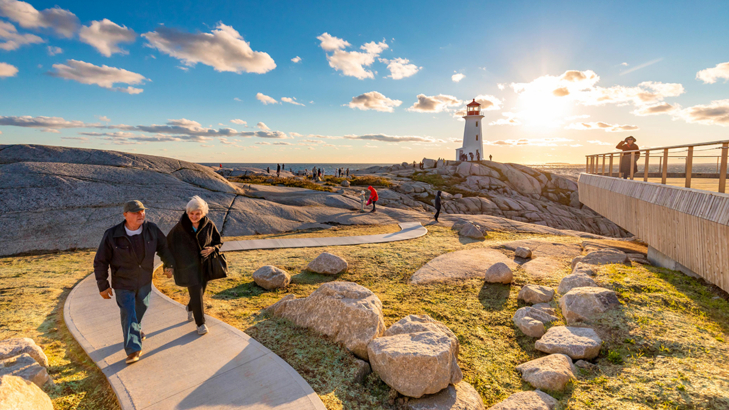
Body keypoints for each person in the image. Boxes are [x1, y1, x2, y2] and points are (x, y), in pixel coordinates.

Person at [93, 200, 175, 364]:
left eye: (142, 211)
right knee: (128, 313)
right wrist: (103, 285)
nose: (140, 214)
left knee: (140, 309)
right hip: (123, 283)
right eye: (136, 212)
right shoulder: (112, 234)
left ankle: (136, 331)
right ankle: (133, 350)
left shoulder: (151, 229)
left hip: (144, 281)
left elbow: (165, 248)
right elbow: (100, 261)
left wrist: (169, 265)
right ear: (125, 215)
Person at [166, 196, 222, 336]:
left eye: (198, 213)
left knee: (200, 292)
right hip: (187, 268)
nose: (194, 216)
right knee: (197, 294)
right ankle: (200, 324)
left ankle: (190, 307)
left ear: (203, 213)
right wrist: (169, 265)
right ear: (187, 212)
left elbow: (218, 241)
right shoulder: (179, 228)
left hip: (205, 266)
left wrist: (212, 249)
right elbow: (168, 246)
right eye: (191, 213)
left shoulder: (209, 224)